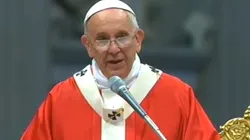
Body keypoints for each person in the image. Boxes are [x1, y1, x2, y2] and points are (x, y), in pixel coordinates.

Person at [21, 0, 221, 140]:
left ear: (139, 40)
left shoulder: (176, 95)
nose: (114, 48)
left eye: (122, 36)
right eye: (102, 39)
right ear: (88, 45)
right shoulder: (62, 99)